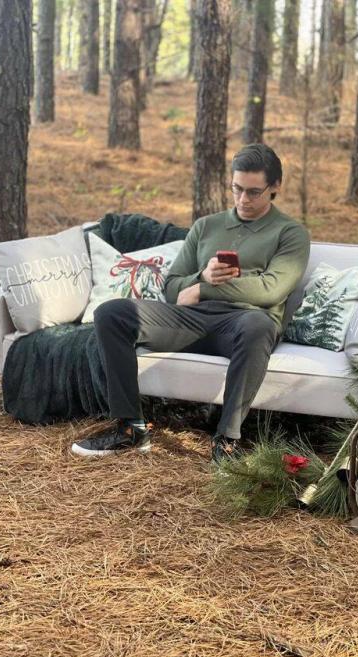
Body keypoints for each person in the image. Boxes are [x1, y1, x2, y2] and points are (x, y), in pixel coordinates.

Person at [72, 144, 310, 460]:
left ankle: (227, 440)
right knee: (112, 313)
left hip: (244, 325)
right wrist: (202, 278)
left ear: (275, 186)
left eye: (254, 192)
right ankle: (131, 428)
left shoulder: (291, 233)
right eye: (237, 189)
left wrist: (204, 289)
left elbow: (271, 290)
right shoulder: (206, 226)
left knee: (260, 324)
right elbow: (173, 287)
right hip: (191, 321)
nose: (243, 200)